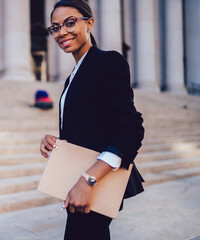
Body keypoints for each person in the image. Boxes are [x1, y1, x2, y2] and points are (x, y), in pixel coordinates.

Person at [39, 0, 145, 239]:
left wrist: (88, 180)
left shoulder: (107, 61)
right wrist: (57, 142)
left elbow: (131, 129)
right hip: (79, 178)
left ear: (90, 23)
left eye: (70, 23)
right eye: (55, 27)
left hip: (95, 181)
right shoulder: (72, 76)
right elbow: (91, 126)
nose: (61, 32)